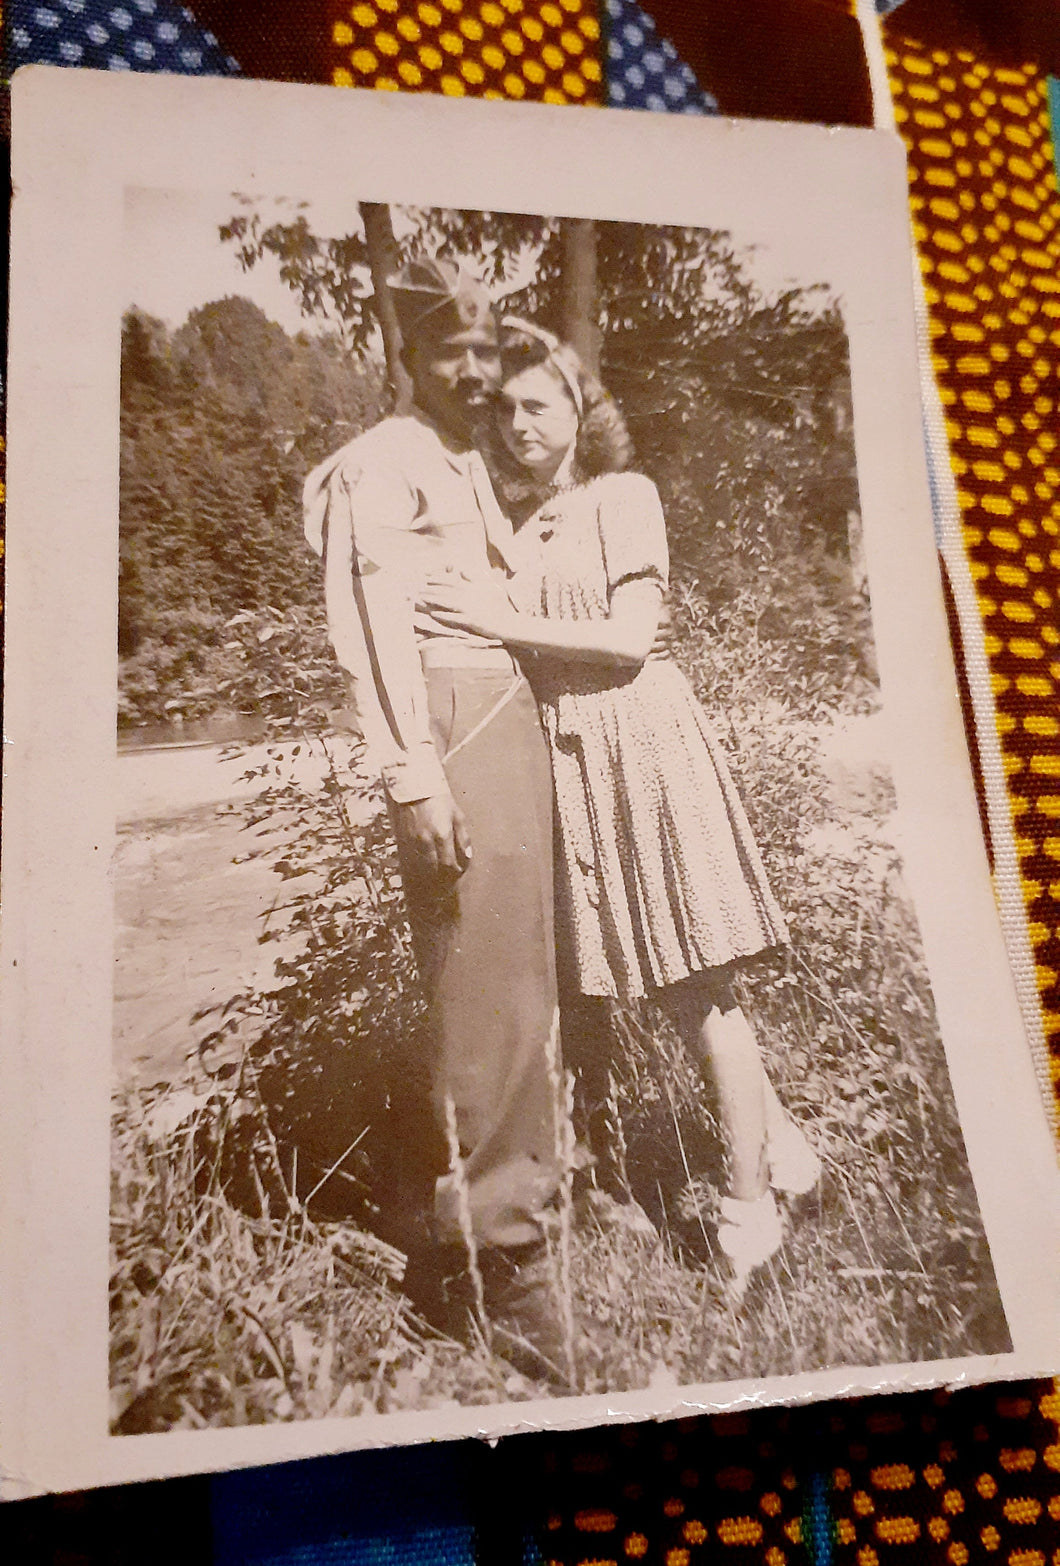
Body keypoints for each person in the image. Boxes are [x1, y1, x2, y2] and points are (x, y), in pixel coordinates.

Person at [422, 317, 821, 1282]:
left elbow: (634, 638)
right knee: (642, 985)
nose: (517, 424)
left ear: (579, 409)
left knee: (695, 985)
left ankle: (749, 1213)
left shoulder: (623, 496)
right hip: (570, 759)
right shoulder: (518, 523)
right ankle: (790, 1156)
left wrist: (497, 615)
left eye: (538, 404)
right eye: (504, 408)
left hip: (639, 741)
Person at [303, 264, 574, 1383]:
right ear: (409, 353)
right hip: (449, 722)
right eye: (451, 352)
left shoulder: (463, 464)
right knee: (479, 997)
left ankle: (517, 1218)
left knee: (523, 983)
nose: (473, 372)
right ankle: (490, 1272)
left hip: (503, 711)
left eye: (486, 354)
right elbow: (368, 629)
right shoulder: (377, 468)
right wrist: (410, 775)